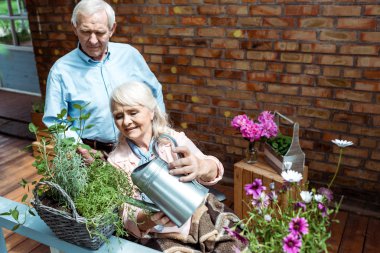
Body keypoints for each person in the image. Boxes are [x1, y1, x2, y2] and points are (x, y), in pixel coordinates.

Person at [107, 81, 246, 252]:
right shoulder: (116, 161)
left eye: (133, 112)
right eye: (118, 116)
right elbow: (127, 216)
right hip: (161, 233)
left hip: (199, 211)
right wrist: (151, 218)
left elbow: (213, 170)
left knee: (237, 245)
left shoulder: (171, 139)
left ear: (151, 112)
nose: (126, 122)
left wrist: (201, 166)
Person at [43, 0, 165, 154]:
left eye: (100, 32)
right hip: (94, 153)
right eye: (85, 32)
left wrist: (160, 131)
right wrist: (81, 149)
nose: (93, 40)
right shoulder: (60, 71)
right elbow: (55, 121)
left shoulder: (129, 55)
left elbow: (154, 92)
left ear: (112, 29)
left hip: (139, 148)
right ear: (75, 28)